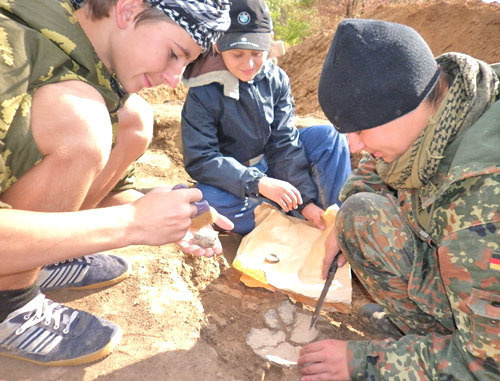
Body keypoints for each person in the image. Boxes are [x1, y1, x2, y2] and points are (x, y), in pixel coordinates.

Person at [0, 0, 232, 366]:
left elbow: (105, 189)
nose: (175, 79)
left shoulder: (92, 63)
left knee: (134, 119)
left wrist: (160, 212)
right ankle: (8, 307)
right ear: (127, 10)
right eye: (174, 54)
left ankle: (39, 259)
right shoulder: (7, 47)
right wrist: (133, 224)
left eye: (186, 65)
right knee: (82, 121)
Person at [298, 19, 500, 380]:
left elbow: (489, 366)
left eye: (360, 129)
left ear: (407, 105)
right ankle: (428, 335)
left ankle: (439, 349)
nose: (353, 146)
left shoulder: (480, 204)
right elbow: (375, 169)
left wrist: (366, 363)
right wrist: (344, 217)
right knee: (358, 214)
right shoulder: (440, 101)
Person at [181, 0, 351, 235]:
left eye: (257, 53)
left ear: (269, 42)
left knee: (329, 137)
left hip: (272, 164)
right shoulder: (202, 91)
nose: (248, 64)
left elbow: (283, 143)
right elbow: (201, 160)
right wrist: (258, 183)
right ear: (219, 45)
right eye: (237, 54)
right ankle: (280, 219)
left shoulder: (276, 79)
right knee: (207, 199)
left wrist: (305, 201)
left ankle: (332, 220)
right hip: (235, 178)